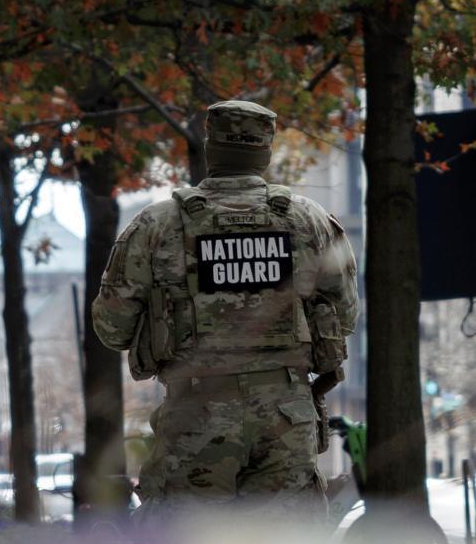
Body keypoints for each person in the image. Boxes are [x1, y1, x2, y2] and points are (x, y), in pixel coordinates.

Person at [91, 100, 359, 512]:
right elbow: (346, 316)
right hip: (286, 416)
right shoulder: (309, 220)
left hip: (195, 414)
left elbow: (113, 330)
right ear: (265, 152)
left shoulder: (157, 225)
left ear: (209, 147)